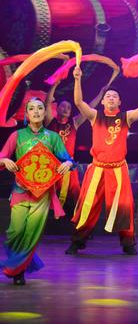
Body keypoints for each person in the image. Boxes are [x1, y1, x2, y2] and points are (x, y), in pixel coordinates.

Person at [66, 66, 138, 256]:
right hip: (97, 169)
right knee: (87, 205)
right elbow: (78, 101)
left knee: (124, 207)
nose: (111, 98)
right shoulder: (95, 116)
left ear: (119, 101)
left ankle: (128, 243)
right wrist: (77, 79)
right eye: (108, 96)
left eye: (114, 96)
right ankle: (78, 241)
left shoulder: (126, 117)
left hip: (118, 169)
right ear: (102, 101)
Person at [0, 98, 74, 285]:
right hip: (20, 190)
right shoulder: (17, 136)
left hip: (42, 193)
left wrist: (67, 163)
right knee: (15, 232)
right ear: (26, 114)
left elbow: (68, 159)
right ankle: (18, 263)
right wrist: (5, 161)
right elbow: (2, 156)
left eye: (40, 108)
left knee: (31, 233)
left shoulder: (53, 137)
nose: (36, 112)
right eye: (31, 109)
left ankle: (17, 271)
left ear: (45, 112)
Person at [44, 79, 109, 209]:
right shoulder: (50, 121)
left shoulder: (74, 123)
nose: (66, 109)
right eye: (63, 106)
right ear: (57, 108)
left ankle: (75, 216)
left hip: (68, 164)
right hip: (51, 164)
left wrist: (101, 94)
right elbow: (47, 103)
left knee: (74, 190)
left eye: (68, 107)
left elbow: (89, 108)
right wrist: (55, 85)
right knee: (50, 193)